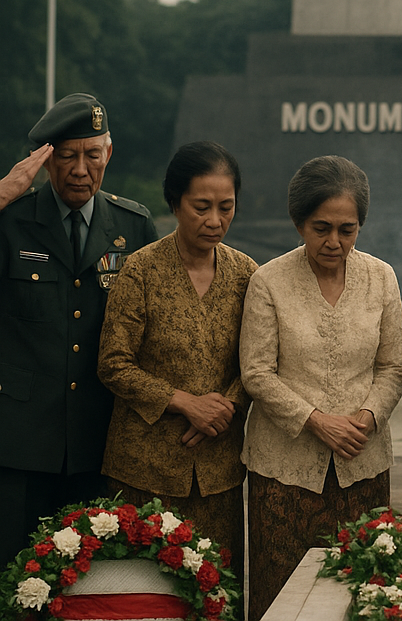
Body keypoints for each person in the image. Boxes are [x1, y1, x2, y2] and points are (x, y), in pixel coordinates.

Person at [240, 156, 402, 621]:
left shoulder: (381, 277)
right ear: (298, 222)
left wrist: (368, 417)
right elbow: (256, 373)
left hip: (363, 461)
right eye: (321, 228)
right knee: (282, 593)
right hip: (284, 470)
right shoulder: (269, 281)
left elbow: (394, 366)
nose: (334, 242)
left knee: (363, 588)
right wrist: (316, 421)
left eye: (347, 229)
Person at [0, 93, 157, 565]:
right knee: (14, 577)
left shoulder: (133, 225)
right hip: (20, 443)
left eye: (92, 155)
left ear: (108, 154)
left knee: (89, 586)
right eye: (67, 156)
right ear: (46, 159)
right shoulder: (11, 220)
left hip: (100, 439)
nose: (80, 169)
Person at [97, 142, 256, 581]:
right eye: (201, 206)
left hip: (219, 470)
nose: (215, 220)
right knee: (144, 592)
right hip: (143, 467)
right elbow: (113, 362)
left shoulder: (246, 274)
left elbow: (259, 361)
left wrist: (227, 404)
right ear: (174, 203)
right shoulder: (141, 270)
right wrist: (186, 402)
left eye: (226, 207)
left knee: (216, 590)